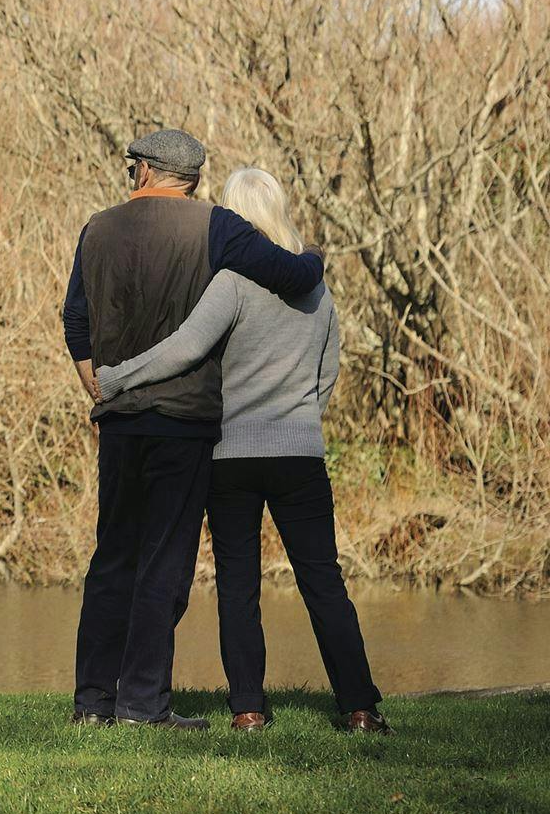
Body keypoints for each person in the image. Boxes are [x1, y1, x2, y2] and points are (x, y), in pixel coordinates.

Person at [94, 166, 387, 733]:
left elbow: (182, 350)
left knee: (238, 584)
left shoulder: (230, 282)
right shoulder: (316, 290)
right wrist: (300, 420)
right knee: (323, 581)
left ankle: (249, 709)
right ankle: (359, 707)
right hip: (300, 454)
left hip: (230, 455)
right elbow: (329, 372)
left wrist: (117, 377)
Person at [61, 129, 322, 729]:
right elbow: (291, 275)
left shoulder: (95, 229)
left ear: (146, 172)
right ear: (194, 179)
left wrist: (96, 385)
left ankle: (92, 703)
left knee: (112, 558)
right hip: (185, 423)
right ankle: (143, 705)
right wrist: (316, 259)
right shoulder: (216, 228)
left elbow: (76, 320)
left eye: (132, 169)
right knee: (165, 563)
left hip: (120, 423)